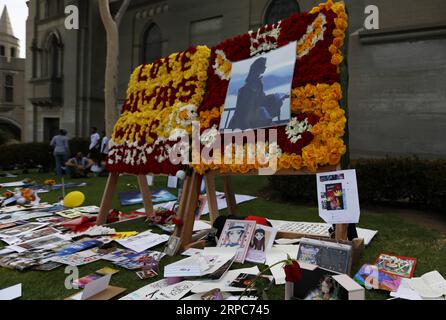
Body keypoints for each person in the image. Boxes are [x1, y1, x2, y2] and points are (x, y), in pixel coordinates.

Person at [227, 57, 289, 130]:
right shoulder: (254, 84)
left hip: (251, 116)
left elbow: (259, 100)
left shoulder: (254, 82)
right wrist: (274, 97)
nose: (265, 67)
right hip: (250, 119)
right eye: (264, 66)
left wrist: (275, 96)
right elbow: (255, 104)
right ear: (258, 68)